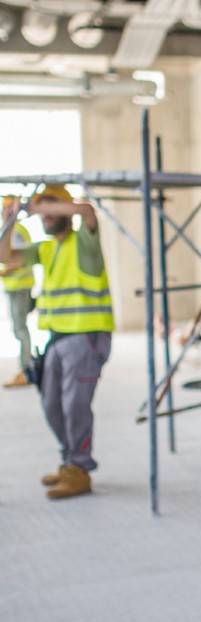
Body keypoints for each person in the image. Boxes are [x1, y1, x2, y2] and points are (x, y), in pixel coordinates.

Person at [0, 184, 113, 499]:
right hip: (56, 338)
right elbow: (4, 255)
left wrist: (40, 206)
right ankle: (69, 461)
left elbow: (87, 211)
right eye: (42, 209)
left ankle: (80, 469)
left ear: (64, 209)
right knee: (52, 405)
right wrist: (9, 220)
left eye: (52, 207)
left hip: (87, 336)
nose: (46, 216)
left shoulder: (84, 242)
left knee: (74, 405)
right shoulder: (46, 248)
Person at [1, 195, 35, 388]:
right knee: (18, 329)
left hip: (20, 286)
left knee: (20, 329)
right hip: (14, 286)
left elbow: (18, 258)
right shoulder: (10, 230)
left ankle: (27, 369)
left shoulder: (17, 231)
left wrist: (5, 270)